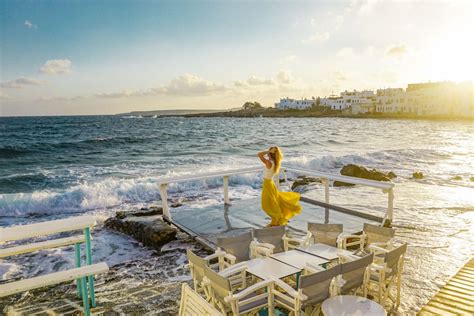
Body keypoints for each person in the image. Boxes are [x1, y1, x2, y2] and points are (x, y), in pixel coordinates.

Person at [258, 146, 302, 226]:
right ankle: (275, 220)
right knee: (272, 203)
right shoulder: (275, 162)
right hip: (270, 183)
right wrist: (270, 151)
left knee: (266, 204)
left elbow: (259, 154)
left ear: (271, 154)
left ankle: (275, 219)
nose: (267, 155)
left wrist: (268, 151)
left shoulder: (269, 163)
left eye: (269, 153)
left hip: (268, 184)